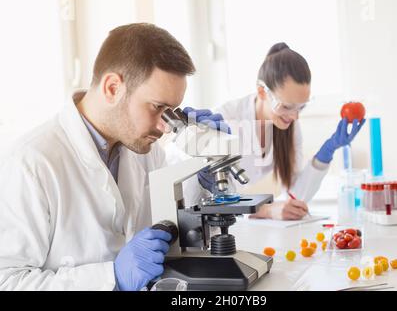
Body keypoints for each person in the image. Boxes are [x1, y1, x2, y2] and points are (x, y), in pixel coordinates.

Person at [0, 23, 226, 291]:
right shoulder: (30, 161)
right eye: (158, 108)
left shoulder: (143, 151)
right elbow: (8, 281)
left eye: (172, 112)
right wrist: (111, 277)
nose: (164, 126)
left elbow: (168, 230)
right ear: (112, 88)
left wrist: (205, 171)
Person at [214, 43, 365, 221]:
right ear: (262, 92)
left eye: (301, 108)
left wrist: (326, 152)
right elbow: (215, 198)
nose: (295, 117)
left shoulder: (287, 123)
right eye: (286, 106)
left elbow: (296, 195)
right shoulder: (226, 119)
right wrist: (266, 210)